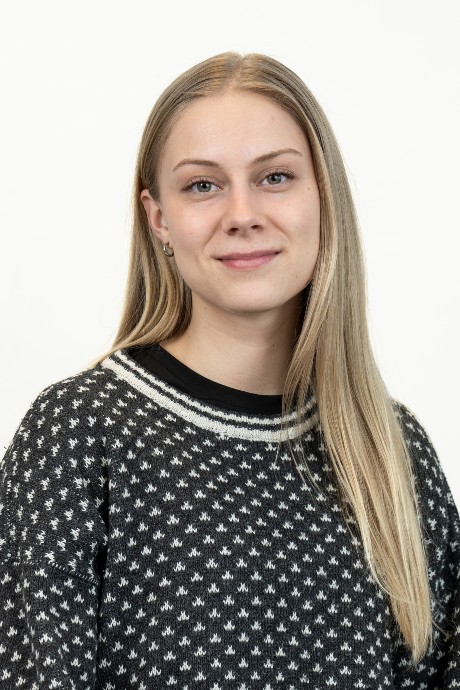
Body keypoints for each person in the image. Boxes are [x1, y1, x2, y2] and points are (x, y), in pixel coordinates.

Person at [0, 52, 458, 690]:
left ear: (323, 198)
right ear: (159, 218)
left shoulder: (392, 452)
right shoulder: (79, 435)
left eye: (275, 177)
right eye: (202, 185)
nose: (242, 214)